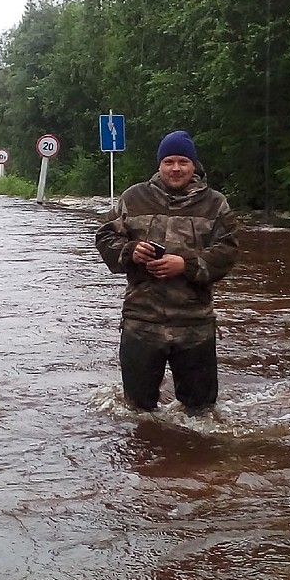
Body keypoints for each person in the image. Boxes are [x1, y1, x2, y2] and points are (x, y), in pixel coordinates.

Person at [95, 130, 240, 414]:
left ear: (193, 165)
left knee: (201, 413)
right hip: (141, 322)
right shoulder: (134, 198)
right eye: (169, 161)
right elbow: (105, 237)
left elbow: (228, 251)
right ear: (159, 165)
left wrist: (185, 264)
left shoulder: (215, 204)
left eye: (182, 162)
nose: (176, 168)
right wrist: (130, 251)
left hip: (194, 325)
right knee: (137, 412)